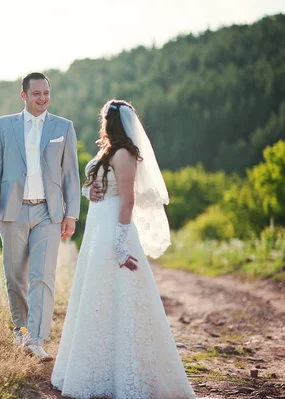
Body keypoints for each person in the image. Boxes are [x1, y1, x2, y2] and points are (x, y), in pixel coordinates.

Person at [51, 100, 196, 398]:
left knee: (118, 298)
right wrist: (86, 191)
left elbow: (128, 200)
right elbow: (96, 186)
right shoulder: (106, 151)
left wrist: (119, 244)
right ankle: (98, 371)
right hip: (97, 228)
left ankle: (126, 372)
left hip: (113, 231)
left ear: (108, 121)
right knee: (97, 296)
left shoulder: (125, 154)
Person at [0, 72, 81, 361]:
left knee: (43, 277)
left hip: (48, 213)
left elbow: (71, 175)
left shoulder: (64, 127)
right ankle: (21, 333)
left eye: (46, 93)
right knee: (15, 278)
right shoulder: (3, 125)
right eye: (36, 93)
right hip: (11, 212)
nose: (42, 98)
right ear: (24, 95)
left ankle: (36, 340)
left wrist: (71, 214)